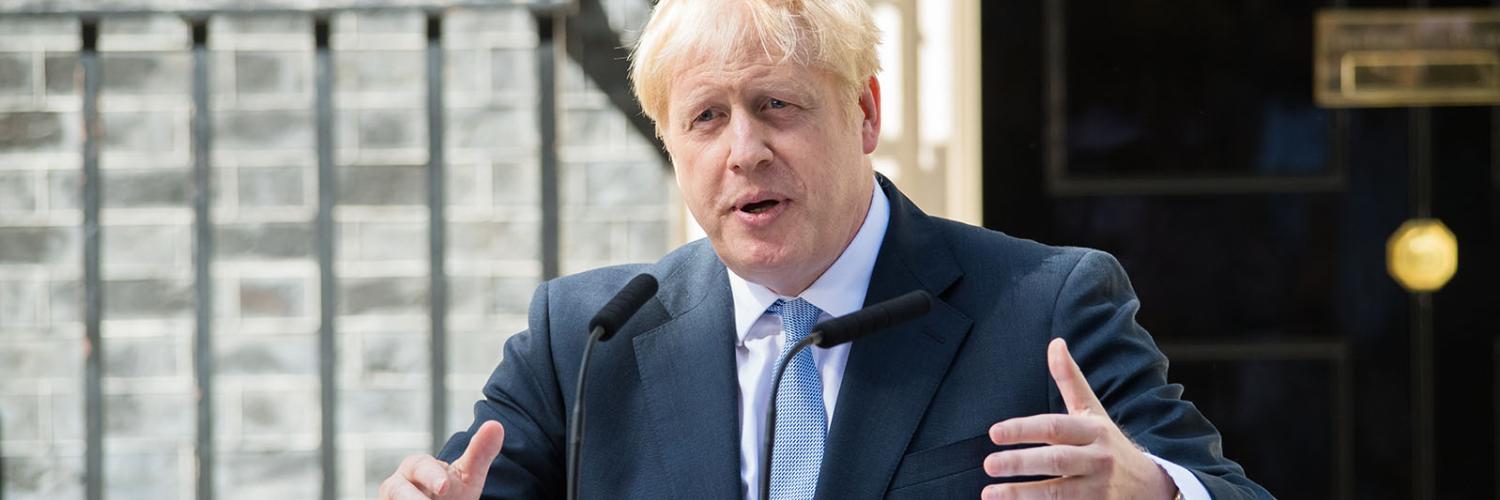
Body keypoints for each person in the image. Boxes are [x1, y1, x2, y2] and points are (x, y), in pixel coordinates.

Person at [379, 0, 1271, 499]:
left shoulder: (1043, 304)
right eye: (705, 119)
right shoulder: (584, 337)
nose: (744, 152)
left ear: (866, 114)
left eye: (777, 106)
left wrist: (1152, 492)